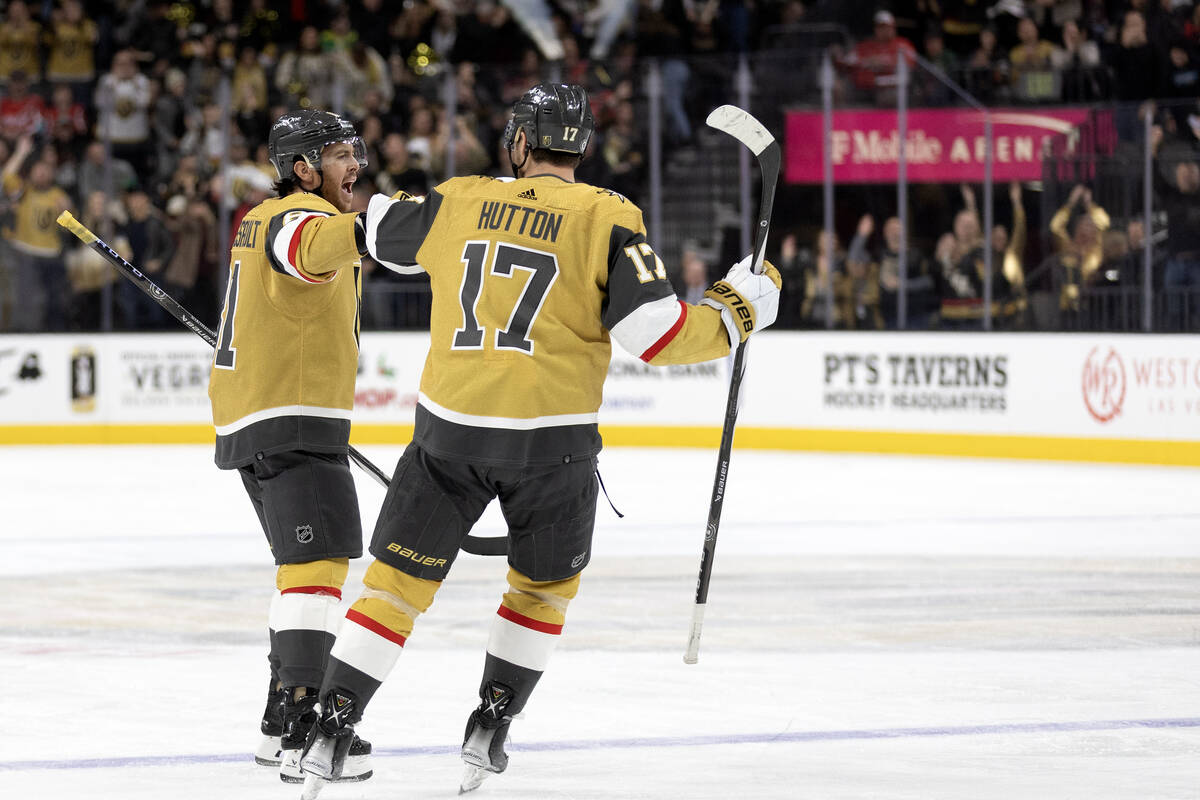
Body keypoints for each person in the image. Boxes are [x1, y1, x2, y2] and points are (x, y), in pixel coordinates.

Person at [295, 84, 782, 795]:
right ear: (579, 147)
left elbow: (369, 228)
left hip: (447, 437)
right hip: (551, 447)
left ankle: (332, 727)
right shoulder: (609, 217)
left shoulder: (457, 199)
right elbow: (659, 334)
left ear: (520, 143)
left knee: (393, 590)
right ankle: (491, 723)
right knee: (540, 592)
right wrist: (738, 309)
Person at [206, 110, 375, 785]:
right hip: (289, 415)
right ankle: (305, 726)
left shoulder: (262, 214)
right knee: (320, 566)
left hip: (264, 412)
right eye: (338, 155)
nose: (354, 164)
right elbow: (310, 246)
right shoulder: (298, 218)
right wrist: (405, 224)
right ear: (302, 168)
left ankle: (280, 719)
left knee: (302, 569)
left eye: (353, 151)